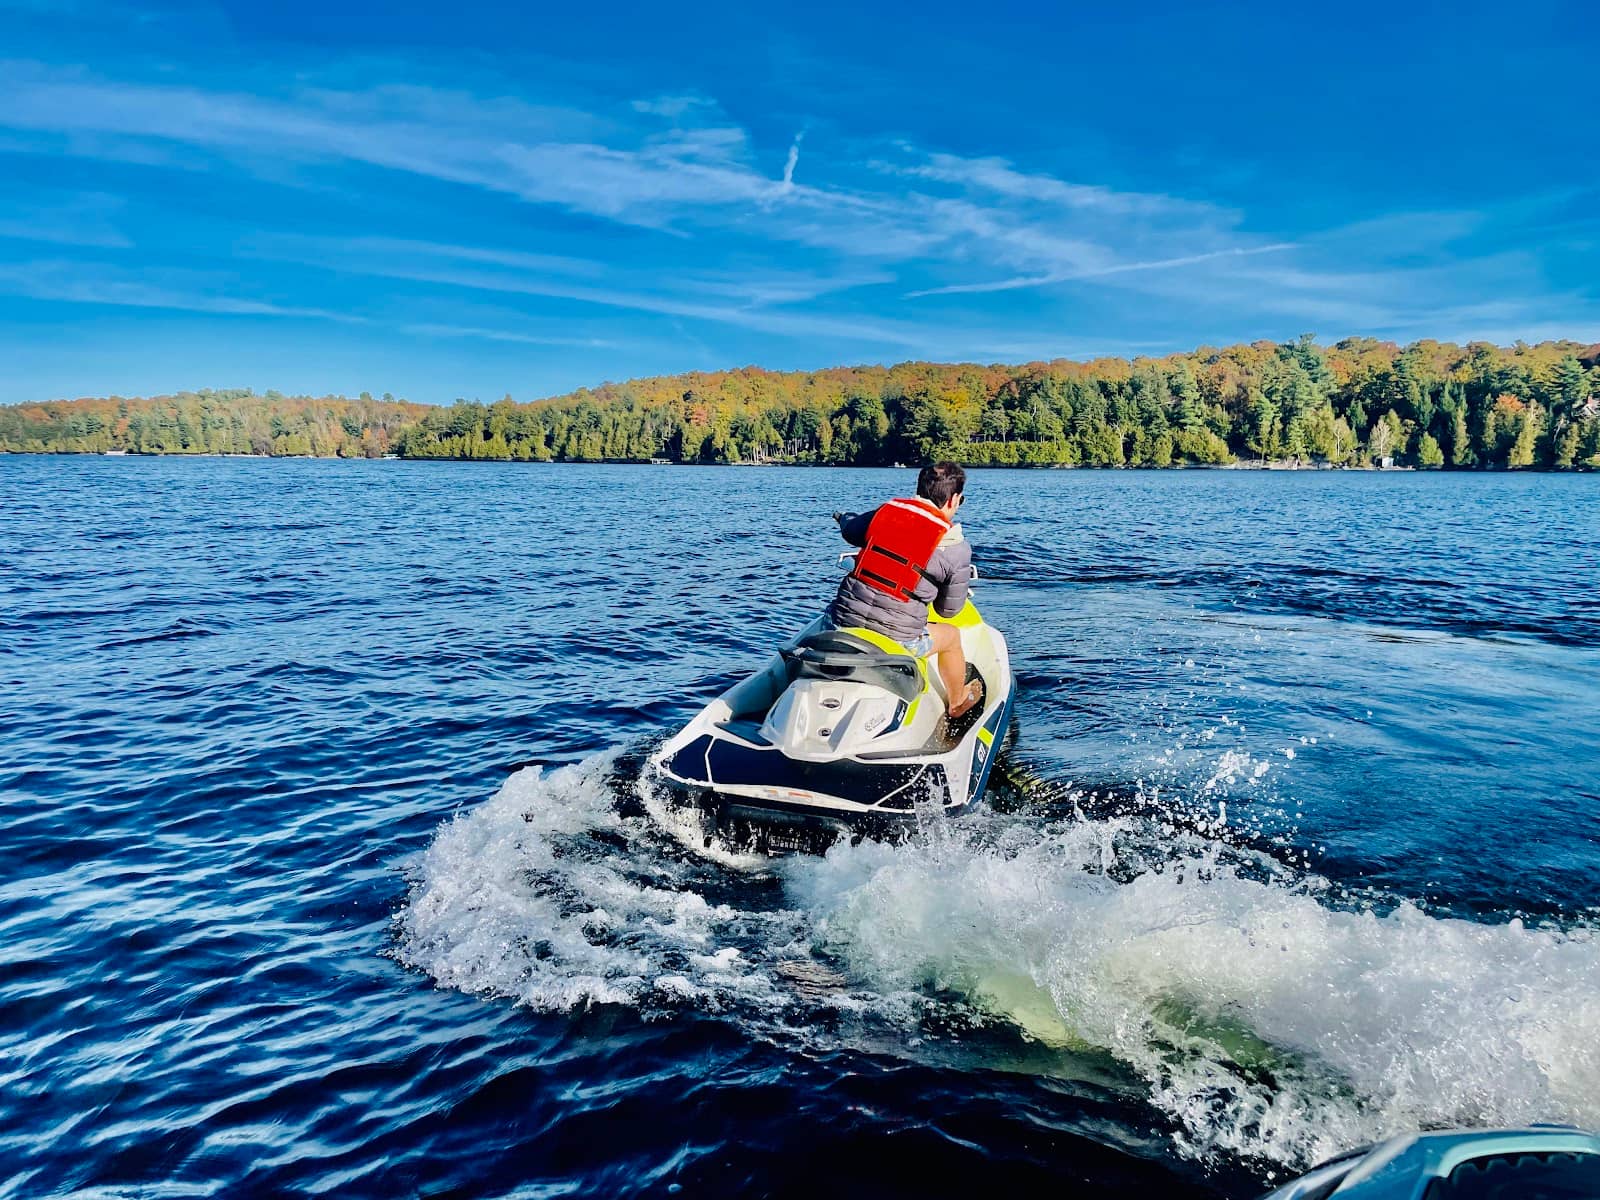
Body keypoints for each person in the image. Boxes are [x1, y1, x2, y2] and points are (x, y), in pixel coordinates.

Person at [829, 461, 983, 719]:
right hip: (898, 639)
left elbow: (851, 531)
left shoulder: (887, 512)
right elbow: (948, 611)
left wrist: (844, 518)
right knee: (951, 637)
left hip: (842, 621)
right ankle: (957, 702)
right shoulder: (956, 546)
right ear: (954, 500)